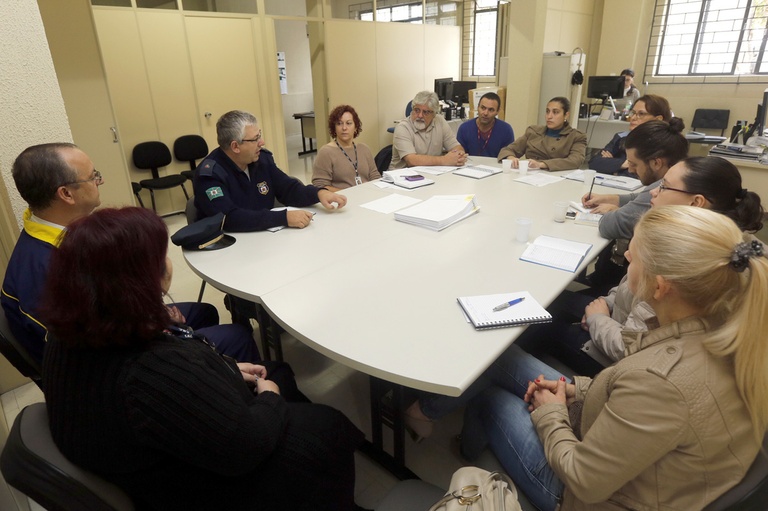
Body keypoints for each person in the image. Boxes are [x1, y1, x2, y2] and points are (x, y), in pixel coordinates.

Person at [414, 206, 767, 511]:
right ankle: (438, 418)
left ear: (660, 287)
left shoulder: (662, 380)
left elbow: (585, 481)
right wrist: (575, 392)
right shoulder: (727, 323)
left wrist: (550, 411)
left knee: (491, 396)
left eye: (634, 253)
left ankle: (464, 448)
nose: (626, 256)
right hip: (637, 458)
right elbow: (628, 390)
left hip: (586, 497)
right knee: (500, 358)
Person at [40, 206, 365, 510]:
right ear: (136, 284)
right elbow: (245, 447)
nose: (168, 265)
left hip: (148, 449)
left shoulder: (74, 326)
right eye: (160, 258)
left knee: (277, 370)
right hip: (192, 483)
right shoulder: (148, 374)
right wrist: (271, 401)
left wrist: (225, 369)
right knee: (326, 425)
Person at [0, 143, 258, 366]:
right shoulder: (49, 271)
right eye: (93, 177)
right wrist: (163, 328)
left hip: (117, 329)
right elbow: (94, 351)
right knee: (237, 336)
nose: (100, 181)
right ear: (66, 194)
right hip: (110, 367)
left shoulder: (55, 234)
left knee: (204, 313)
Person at [527, 156, 765, 376]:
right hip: (620, 320)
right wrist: (606, 305)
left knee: (533, 327)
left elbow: (632, 348)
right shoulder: (720, 243)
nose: (652, 193)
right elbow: (629, 291)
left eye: (664, 187)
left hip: (620, 358)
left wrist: (599, 319)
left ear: (696, 202)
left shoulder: (682, 259)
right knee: (549, 303)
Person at [193, 110, 348, 232]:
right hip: (229, 248)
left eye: (259, 135)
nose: (262, 142)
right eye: (255, 139)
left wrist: (318, 193)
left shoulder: (261, 160)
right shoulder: (210, 175)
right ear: (235, 146)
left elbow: (288, 188)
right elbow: (229, 218)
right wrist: (283, 218)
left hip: (265, 239)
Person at [583, 119, 688, 241]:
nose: (630, 170)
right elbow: (641, 198)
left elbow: (609, 226)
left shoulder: (664, 188)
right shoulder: (683, 174)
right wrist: (610, 199)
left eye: (634, 164)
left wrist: (617, 212)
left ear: (656, 163)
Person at [588, 94, 680, 175]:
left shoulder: (666, 143)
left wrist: (614, 167)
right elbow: (594, 163)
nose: (633, 118)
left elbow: (648, 175)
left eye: (641, 114)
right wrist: (623, 164)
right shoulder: (621, 137)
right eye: (633, 113)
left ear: (658, 119)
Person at [498, 96, 586, 171]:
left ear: (566, 115)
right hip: (529, 176)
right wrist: (511, 158)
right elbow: (508, 150)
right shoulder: (533, 131)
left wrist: (541, 164)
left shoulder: (576, 136)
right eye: (547, 111)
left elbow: (575, 161)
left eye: (555, 112)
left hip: (557, 178)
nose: (549, 116)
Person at [389, 90, 467, 169]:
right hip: (401, 177)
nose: (420, 115)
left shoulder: (439, 121)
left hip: (430, 174)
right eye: (416, 110)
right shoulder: (403, 127)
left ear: (434, 114)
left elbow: (456, 147)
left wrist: (458, 156)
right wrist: (444, 160)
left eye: (425, 112)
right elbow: (411, 160)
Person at [312, 105, 380, 191]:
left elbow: (375, 177)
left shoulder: (364, 149)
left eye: (349, 123)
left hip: (368, 196)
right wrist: (349, 193)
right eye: (339, 123)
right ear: (334, 128)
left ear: (355, 127)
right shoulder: (326, 152)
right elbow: (320, 186)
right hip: (342, 200)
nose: (344, 128)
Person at [456, 92, 515, 158]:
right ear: (478, 107)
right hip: (469, 166)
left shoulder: (506, 130)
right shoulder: (464, 128)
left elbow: (508, 154)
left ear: (497, 112)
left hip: (496, 167)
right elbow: (459, 154)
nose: (485, 113)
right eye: (483, 108)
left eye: (491, 110)